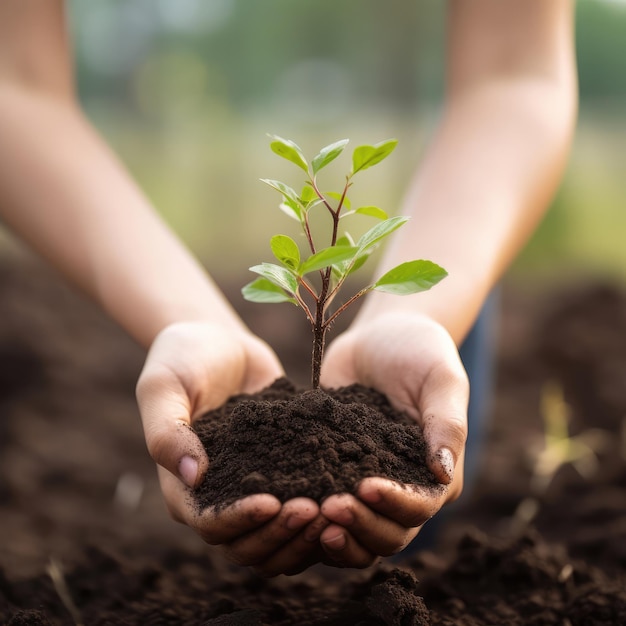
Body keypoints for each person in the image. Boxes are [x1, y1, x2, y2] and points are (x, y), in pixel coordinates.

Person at [0, 0, 577, 576]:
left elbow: (514, 74)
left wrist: (416, 312)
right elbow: (16, 85)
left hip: (459, 210)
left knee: (421, 515)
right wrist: (191, 323)